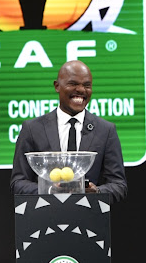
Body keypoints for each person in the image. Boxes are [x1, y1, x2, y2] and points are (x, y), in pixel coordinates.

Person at [10, 60, 127, 202]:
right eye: (73, 84)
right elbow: (18, 182)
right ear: (57, 86)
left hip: (89, 218)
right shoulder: (32, 129)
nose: (81, 90)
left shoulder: (106, 130)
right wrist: (49, 190)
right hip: (43, 218)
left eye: (87, 85)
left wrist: (97, 192)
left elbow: (119, 185)